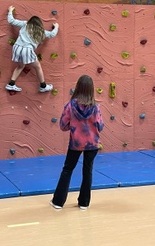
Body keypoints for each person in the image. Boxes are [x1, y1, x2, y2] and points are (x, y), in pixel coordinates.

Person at [50, 75, 104, 210]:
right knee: (88, 171)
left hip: (75, 143)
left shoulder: (70, 106)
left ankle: (58, 202)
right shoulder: (96, 108)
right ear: (91, 89)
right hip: (92, 144)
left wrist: (74, 126)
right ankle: (84, 203)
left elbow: (63, 126)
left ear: (78, 87)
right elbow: (100, 126)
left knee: (67, 170)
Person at [5, 5, 59, 92]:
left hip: (17, 48)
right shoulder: (41, 31)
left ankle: (11, 84)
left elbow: (11, 21)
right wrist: (56, 27)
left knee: (20, 66)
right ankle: (43, 86)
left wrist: (10, 11)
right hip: (27, 50)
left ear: (30, 21)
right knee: (37, 67)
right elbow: (52, 34)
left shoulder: (25, 24)